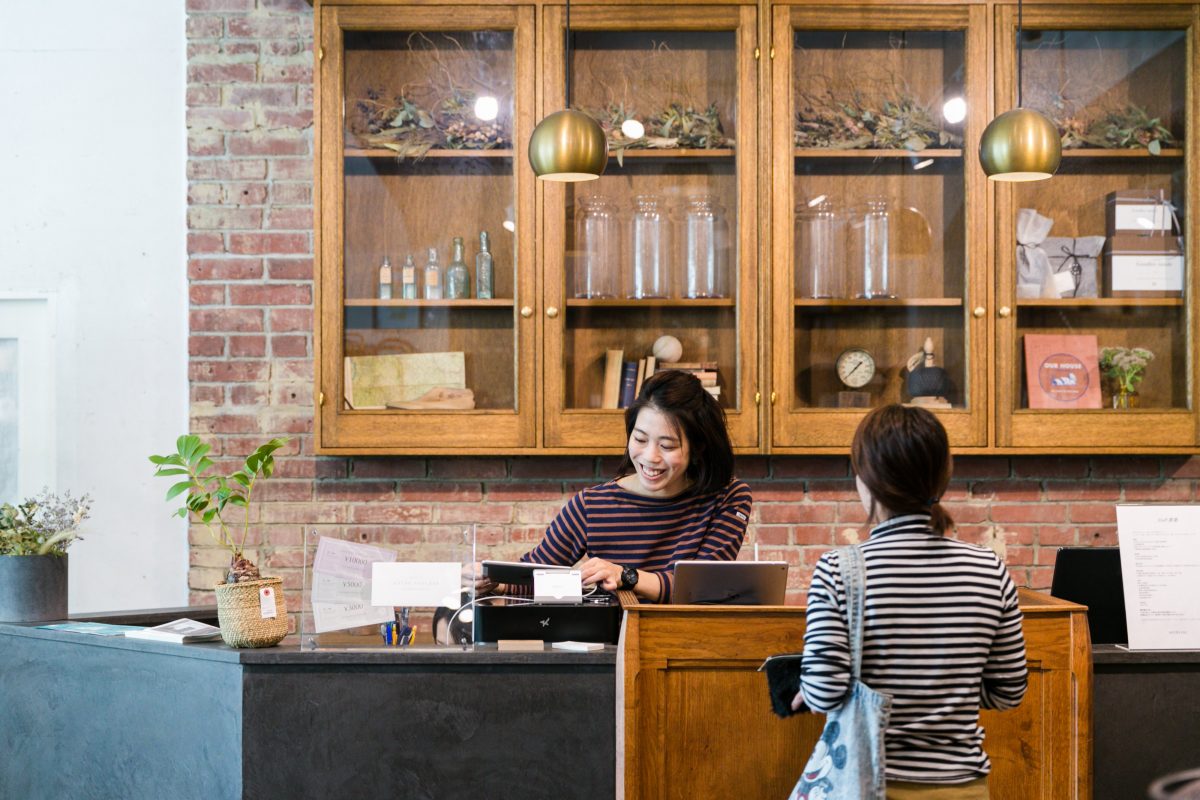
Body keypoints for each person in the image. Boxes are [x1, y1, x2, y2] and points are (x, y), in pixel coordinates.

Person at [793, 404, 1027, 799]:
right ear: (943, 475)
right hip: (963, 789)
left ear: (865, 480)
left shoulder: (838, 570)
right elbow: (1008, 692)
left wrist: (807, 685)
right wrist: (947, 691)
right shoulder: (990, 569)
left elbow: (823, 693)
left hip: (869, 785)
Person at [477, 369, 752, 603]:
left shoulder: (728, 498)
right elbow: (531, 577)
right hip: (611, 643)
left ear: (698, 448)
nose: (650, 457)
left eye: (667, 446)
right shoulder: (591, 505)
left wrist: (625, 575)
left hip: (686, 643)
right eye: (640, 439)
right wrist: (492, 581)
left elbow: (703, 588)